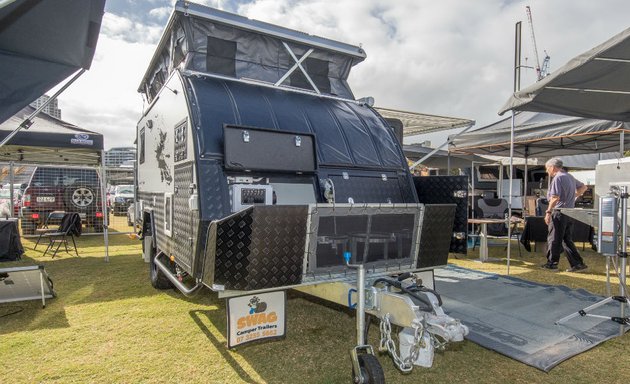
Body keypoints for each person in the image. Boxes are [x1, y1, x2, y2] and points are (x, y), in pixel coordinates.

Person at [541, 158, 589, 272]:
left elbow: (555, 198)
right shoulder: (569, 176)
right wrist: (574, 196)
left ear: (552, 167)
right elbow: (584, 187)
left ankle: (552, 263)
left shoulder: (558, 178)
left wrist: (548, 212)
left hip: (559, 211)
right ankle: (577, 264)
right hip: (569, 211)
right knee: (566, 239)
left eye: (547, 169)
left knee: (554, 238)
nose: (547, 171)